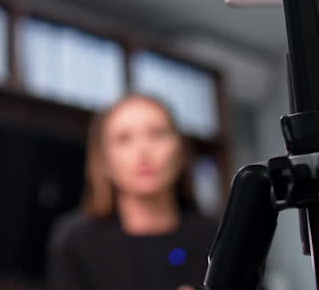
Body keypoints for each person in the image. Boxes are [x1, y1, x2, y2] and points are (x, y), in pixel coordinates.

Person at [46, 94, 221, 290]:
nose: (143, 150)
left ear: (180, 151)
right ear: (104, 160)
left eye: (157, 133)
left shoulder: (217, 238)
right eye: (124, 139)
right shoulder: (75, 240)